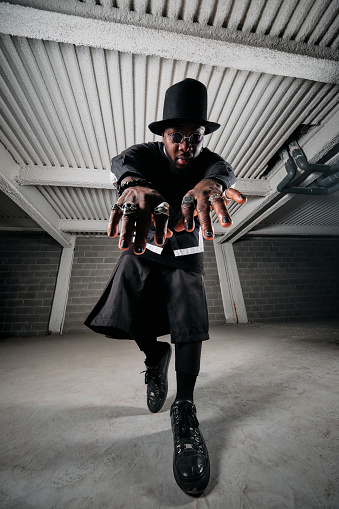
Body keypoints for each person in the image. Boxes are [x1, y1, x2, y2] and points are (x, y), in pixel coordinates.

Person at [85, 78, 246, 496]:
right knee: (127, 311)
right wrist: (131, 184)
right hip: (145, 246)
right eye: (177, 137)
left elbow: (220, 172)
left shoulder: (209, 162)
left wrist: (211, 185)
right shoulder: (144, 154)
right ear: (163, 134)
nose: (186, 146)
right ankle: (155, 356)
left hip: (187, 252)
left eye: (195, 137)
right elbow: (123, 162)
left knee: (188, 319)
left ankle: (185, 407)